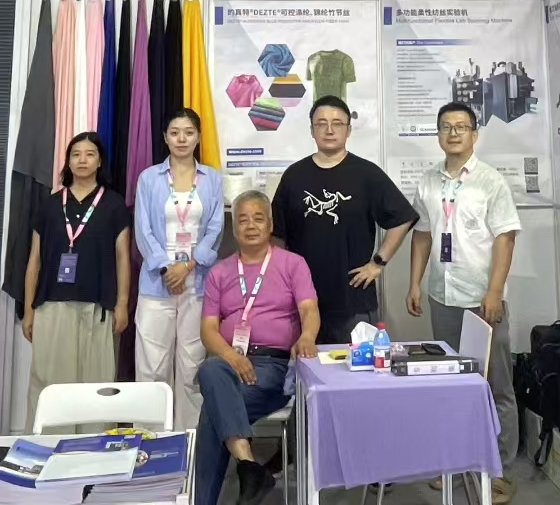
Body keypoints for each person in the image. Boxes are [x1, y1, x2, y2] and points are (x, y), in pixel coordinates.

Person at [407, 102, 522, 505]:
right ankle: (455, 463)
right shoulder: (428, 181)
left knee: (495, 386)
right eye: (446, 127)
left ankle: (500, 471)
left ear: (475, 134)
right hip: (443, 296)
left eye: (461, 126)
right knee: (452, 384)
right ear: (438, 134)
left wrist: (494, 292)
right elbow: (422, 234)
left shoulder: (490, 181)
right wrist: (415, 283)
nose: (453, 133)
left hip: (481, 300)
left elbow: (506, 238)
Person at [196, 191, 319, 505]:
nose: (250, 226)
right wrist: (232, 357)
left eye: (258, 218)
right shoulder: (220, 272)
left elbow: (309, 309)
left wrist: (307, 336)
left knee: (212, 413)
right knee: (212, 370)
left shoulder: (292, 263)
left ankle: (213, 495)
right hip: (230, 366)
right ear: (234, 228)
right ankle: (249, 465)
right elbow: (208, 330)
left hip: (274, 367)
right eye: (243, 220)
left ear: (270, 225)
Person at [271, 95, 417, 343]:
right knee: (304, 365)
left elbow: (402, 218)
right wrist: (283, 279)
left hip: (353, 299)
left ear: (348, 130)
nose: (329, 130)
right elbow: (277, 234)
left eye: (337, 123)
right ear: (312, 130)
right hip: (302, 300)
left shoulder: (366, 174)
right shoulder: (294, 176)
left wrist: (378, 263)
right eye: (321, 123)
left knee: (357, 366)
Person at [22, 131, 132, 425]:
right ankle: (47, 444)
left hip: (97, 306)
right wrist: (29, 309)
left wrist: (122, 304)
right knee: (50, 383)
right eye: (76, 154)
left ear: (100, 162)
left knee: (95, 385)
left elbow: (123, 258)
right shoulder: (49, 205)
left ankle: (92, 446)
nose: (82, 160)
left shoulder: (114, 205)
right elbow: (34, 260)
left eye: (90, 154)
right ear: (68, 161)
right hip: (52, 305)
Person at [134, 108, 225, 429]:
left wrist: (187, 266)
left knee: (191, 368)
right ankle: (149, 442)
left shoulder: (212, 179)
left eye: (188, 132)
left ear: (198, 137)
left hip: (196, 284)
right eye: (175, 133)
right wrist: (166, 268)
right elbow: (143, 229)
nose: (181, 139)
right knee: (151, 369)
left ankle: (190, 441)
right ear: (165, 138)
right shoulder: (149, 178)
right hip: (156, 283)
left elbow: (215, 228)